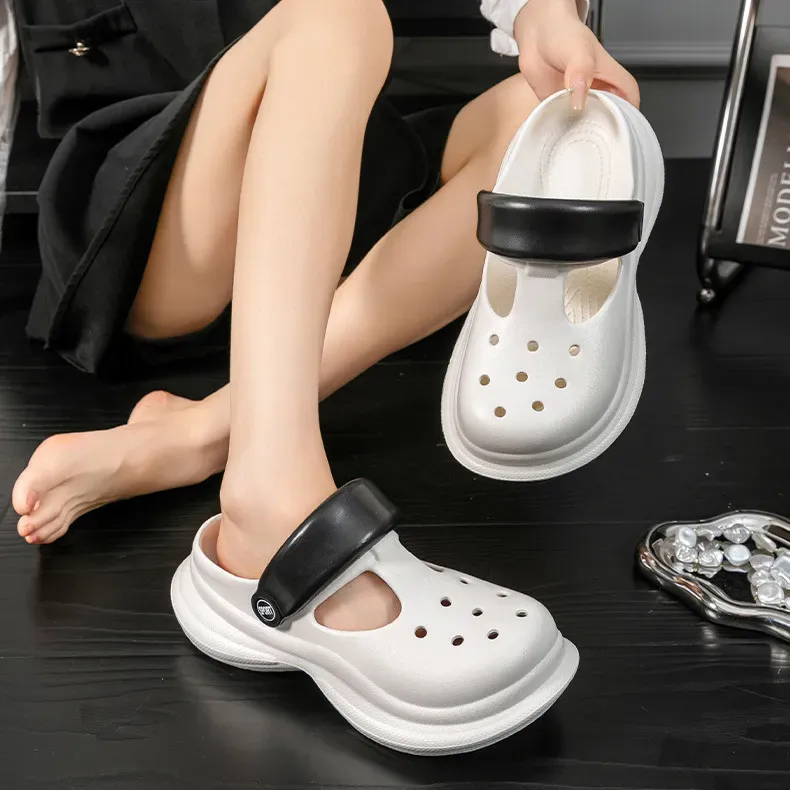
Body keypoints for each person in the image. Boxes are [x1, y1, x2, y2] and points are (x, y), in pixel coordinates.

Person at [13, 0, 637, 632]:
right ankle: (266, 496)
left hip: (337, 167)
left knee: (552, 119)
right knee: (335, 16)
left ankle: (206, 433)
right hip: (161, 207)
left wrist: (542, 15)